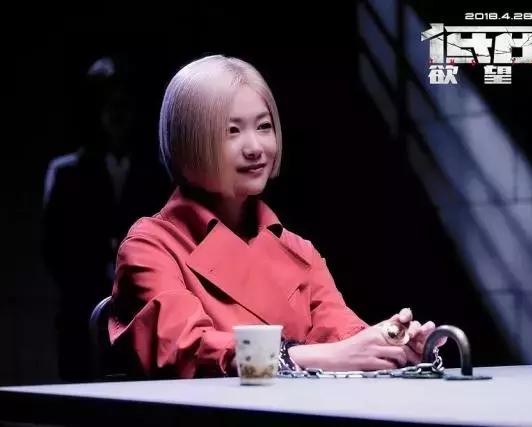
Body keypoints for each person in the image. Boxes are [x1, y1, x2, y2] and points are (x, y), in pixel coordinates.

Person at [108, 54, 442, 378]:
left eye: (264, 127)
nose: (255, 147)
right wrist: (310, 357)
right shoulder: (150, 247)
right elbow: (186, 349)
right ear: (189, 140)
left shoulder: (299, 250)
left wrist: (389, 342)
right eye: (232, 131)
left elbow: (341, 333)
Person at [43, 56, 169, 381]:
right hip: (80, 313)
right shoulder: (66, 172)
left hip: (142, 312)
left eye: (124, 102)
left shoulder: (157, 173)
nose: (117, 112)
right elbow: (53, 246)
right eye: (108, 103)